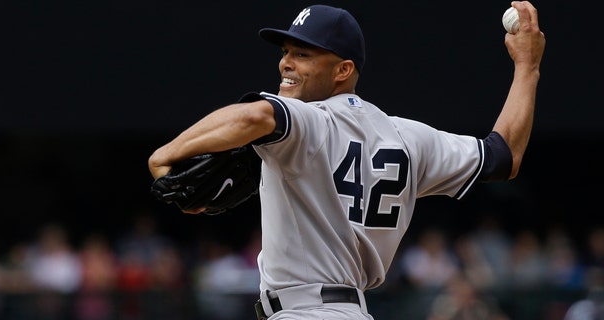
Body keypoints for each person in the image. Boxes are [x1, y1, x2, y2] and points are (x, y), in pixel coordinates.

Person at [148, 2, 545, 319]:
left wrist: (164, 154)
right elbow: (502, 156)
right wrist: (527, 66)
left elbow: (253, 116)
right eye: (286, 52)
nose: (285, 63)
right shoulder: (409, 137)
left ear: (343, 70)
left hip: (301, 312)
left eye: (302, 54)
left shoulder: (308, 120)